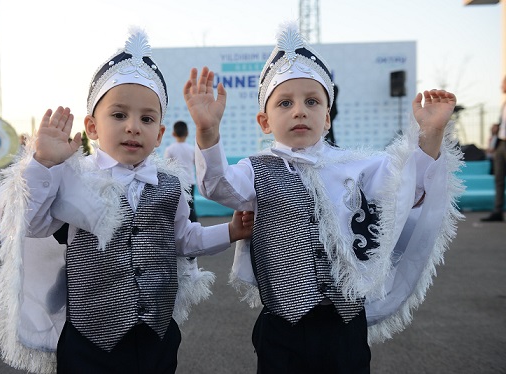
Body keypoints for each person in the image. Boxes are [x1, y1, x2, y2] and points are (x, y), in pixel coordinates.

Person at [184, 22, 463, 373]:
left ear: (327, 117)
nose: (299, 110)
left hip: (344, 325)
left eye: (312, 101)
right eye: (285, 103)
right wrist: (208, 131)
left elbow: (411, 188)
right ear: (264, 121)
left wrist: (431, 133)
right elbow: (217, 186)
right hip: (283, 326)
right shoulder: (256, 169)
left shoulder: (359, 167)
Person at [0, 28, 253, 374]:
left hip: (156, 337)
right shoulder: (74, 178)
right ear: (92, 126)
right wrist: (42, 163)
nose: (133, 127)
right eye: (118, 115)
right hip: (90, 341)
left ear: (159, 134)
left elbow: (182, 239)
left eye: (146, 119)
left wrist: (230, 231)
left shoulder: (170, 184)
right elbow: (33, 225)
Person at [481, 75, 506, 222]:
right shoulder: (504, 104)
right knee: (499, 178)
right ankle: (497, 211)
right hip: (501, 144)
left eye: (503, 83)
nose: (501, 87)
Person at [164, 120, 197, 222]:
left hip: (177, 182)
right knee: (190, 205)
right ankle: (194, 225)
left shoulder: (170, 149)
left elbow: (167, 167)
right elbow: (196, 163)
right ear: (187, 133)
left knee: (177, 206)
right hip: (190, 181)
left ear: (173, 133)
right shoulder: (192, 149)